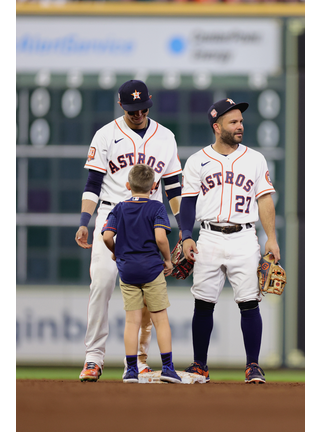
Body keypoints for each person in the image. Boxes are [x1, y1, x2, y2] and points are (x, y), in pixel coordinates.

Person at [75, 80, 183, 382]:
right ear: (121, 105)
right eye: (133, 109)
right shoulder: (106, 134)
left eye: (143, 108)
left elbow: (174, 186)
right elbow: (92, 184)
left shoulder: (165, 137)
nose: (139, 114)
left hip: (150, 216)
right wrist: (84, 221)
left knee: (148, 292)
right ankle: (94, 358)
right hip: (113, 212)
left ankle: (138, 362)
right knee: (102, 282)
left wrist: (184, 230)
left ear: (149, 103)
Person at [178, 98, 280, 384]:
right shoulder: (197, 160)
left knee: (249, 302)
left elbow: (264, 200)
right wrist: (186, 235)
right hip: (208, 235)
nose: (240, 126)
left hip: (244, 236)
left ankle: (253, 365)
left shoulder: (255, 159)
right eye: (233, 122)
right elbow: (187, 203)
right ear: (217, 126)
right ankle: (200, 365)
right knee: (203, 302)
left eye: (241, 121)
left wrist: (271, 238)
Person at [101, 164, 182, 384]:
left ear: (128, 185)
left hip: (127, 271)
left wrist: (116, 253)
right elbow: (161, 238)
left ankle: (131, 371)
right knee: (160, 320)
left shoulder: (119, 207)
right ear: (154, 186)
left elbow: (107, 237)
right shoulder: (156, 207)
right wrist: (167, 259)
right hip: (151, 269)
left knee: (132, 322)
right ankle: (167, 368)